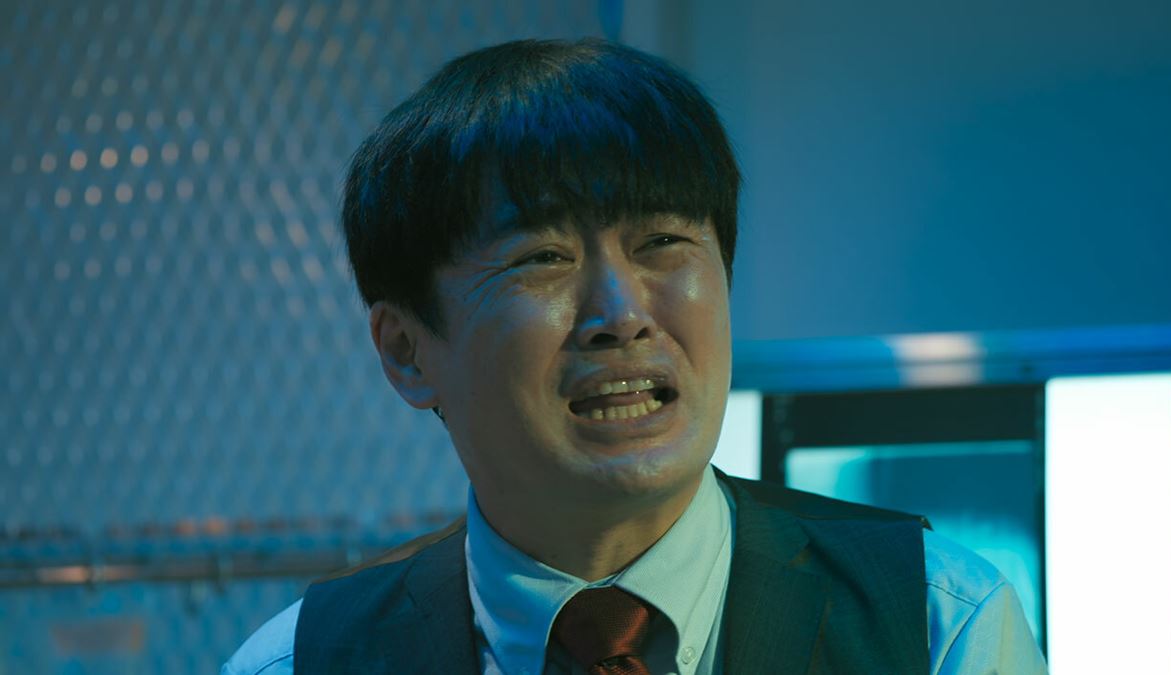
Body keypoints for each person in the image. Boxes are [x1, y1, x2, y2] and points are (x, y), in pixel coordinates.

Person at [223, 38, 1046, 674]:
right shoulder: (297, 664)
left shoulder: (938, 625)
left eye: (661, 242)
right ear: (407, 351)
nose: (621, 315)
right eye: (542, 257)